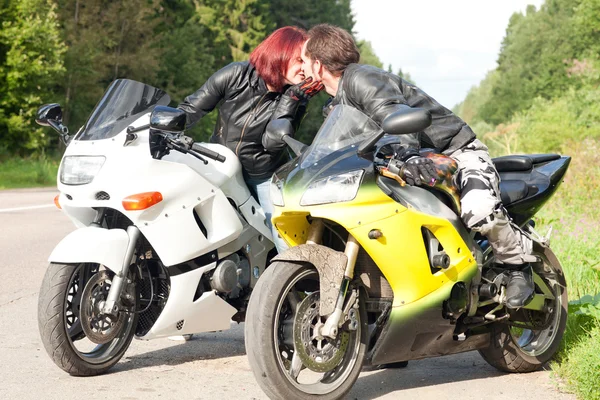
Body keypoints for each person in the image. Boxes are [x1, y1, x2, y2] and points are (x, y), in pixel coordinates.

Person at [300, 24, 536, 309]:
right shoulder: (337, 102)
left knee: (479, 210)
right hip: (407, 163)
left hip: (455, 152)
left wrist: (407, 155)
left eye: (303, 61)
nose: (302, 69)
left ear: (317, 63)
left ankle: (517, 265)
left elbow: (396, 115)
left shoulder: (362, 79)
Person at [170, 26, 323, 341]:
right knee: (186, 226)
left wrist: (293, 99)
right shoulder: (236, 75)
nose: (307, 68)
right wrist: (160, 129)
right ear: (281, 53)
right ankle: (185, 309)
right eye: (302, 59)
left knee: (286, 237)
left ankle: (301, 312)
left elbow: (271, 141)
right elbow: (190, 109)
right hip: (218, 165)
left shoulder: (294, 95)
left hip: (262, 174)